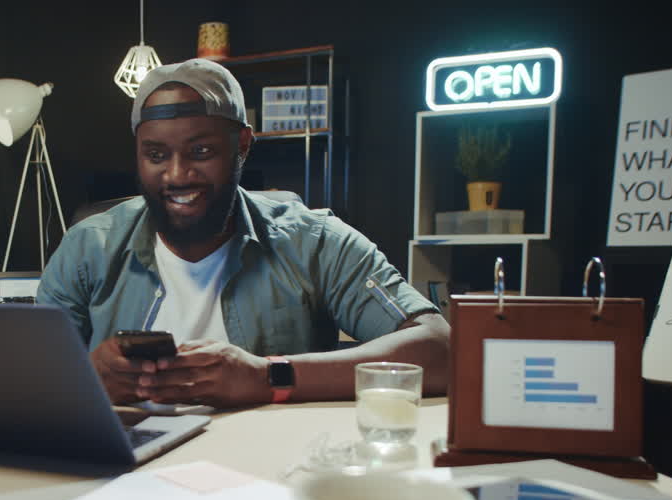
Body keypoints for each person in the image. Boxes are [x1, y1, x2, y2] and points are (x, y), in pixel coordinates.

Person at [36, 58, 449, 408]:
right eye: (156, 155)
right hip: (127, 476)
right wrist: (87, 377)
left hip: (265, 475)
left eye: (201, 151)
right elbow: (28, 381)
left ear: (243, 145)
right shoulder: (88, 247)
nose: (177, 174)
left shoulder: (314, 242)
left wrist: (267, 376)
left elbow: (441, 350)